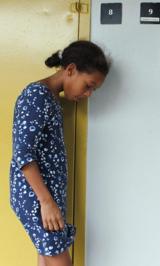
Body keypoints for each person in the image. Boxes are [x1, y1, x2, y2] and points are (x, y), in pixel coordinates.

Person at [9, 40, 109, 266]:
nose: (89, 94)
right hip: (37, 196)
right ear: (71, 70)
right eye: (88, 85)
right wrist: (46, 202)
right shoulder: (37, 95)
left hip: (46, 197)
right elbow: (23, 153)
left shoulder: (52, 98)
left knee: (46, 259)